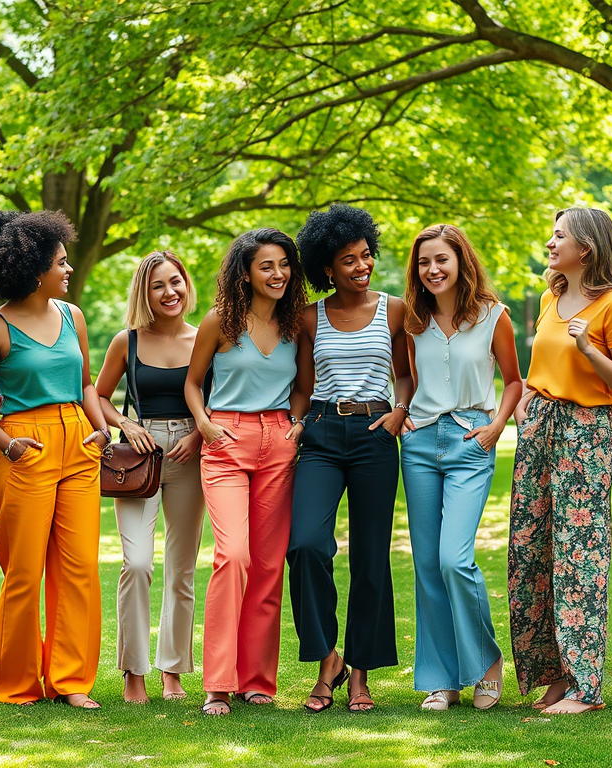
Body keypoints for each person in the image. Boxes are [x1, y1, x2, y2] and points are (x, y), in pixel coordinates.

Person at [0, 210, 111, 709]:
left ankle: (70, 682)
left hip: (79, 442)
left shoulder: (73, 317)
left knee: (78, 568)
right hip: (26, 444)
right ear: (33, 269)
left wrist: (101, 428)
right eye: (61, 262)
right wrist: (6, 444)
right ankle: (17, 682)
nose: (68, 270)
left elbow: (88, 383)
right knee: (24, 570)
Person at [508, 207, 612, 714]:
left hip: (586, 432)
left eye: (559, 235)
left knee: (578, 555)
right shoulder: (550, 295)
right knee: (531, 550)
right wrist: (523, 397)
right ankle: (554, 677)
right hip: (539, 424)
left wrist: (588, 347)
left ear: (585, 247)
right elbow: (541, 362)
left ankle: (586, 686)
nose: (550, 241)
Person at [284, 204, 412, 713]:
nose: (361, 267)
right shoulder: (308, 316)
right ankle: (327, 659)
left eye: (365, 256)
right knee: (307, 545)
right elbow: (301, 385)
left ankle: (360, 676)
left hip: (375, 434)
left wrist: (400, 411)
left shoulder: (395, 309)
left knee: (370, 557)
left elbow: (405, 374)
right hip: (320, 431)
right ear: (326, 269)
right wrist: (296, 423)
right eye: (347, 260)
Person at [184, 228, 307, 716]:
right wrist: (205, 424)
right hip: (226, 442)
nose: (277, 274)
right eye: (266, 266)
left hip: (278, 441)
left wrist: (295, 425)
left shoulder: (297, 323)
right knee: (232, 555)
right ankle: (217, 682)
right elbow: (194, 384)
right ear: (246, 273)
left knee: (268, 565)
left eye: (284, 265)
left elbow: (303, 384)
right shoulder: (220, 322)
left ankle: (257, 681)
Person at [400, 224, 523, 711]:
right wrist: (404, 413)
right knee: (427, 564)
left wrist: (495, 427)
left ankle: (486, 662)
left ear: (461, 262)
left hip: (472, 438)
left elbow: (513, 381)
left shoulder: (495, 317)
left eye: (442, 260)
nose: (433, 270)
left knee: (455, 558)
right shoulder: (412, 319)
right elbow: (407, 376)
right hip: (420, 443)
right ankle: (442, 677)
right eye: (424, 262)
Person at [95, 251, 205, 704]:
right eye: (158, 285)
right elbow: (99, 395)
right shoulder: (128, 341)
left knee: (181, 570)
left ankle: (174, 671)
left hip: (190, 454)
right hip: (139, 458)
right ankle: (133, 672)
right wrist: (127, 425)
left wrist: (199, 433)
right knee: (137, 563)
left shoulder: (205, 339)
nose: (170, 292)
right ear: (145, 292)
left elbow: (217, 399)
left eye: (175, 281)